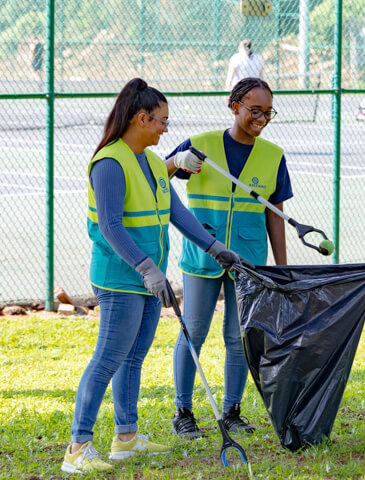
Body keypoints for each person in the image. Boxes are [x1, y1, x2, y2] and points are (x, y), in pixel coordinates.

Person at [63, 78, 244, 473]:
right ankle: (77, 448)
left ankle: (125, 437)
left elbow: (177, 213)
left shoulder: (149, 161)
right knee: (109, 358)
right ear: (141, 118)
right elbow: (111, 226)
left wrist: (216, 250)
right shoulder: (110, 163)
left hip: (147, 278)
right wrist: (146, 268)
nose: (165, 129)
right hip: (119, 278)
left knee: (133, 358)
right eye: (161, 121)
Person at [165, 77, 293, 439]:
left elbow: (275, 213)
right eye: (255, 110)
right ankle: (183, 412)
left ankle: (232, 411)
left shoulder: (273, 156)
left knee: (239, 337)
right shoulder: (200, 145)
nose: (262, 118)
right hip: (203, 254)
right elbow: (156, 175)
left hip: (248, 260)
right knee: (194, 331)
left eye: (268, 112)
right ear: (234, 105)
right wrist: (176, 160)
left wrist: (279, 268)